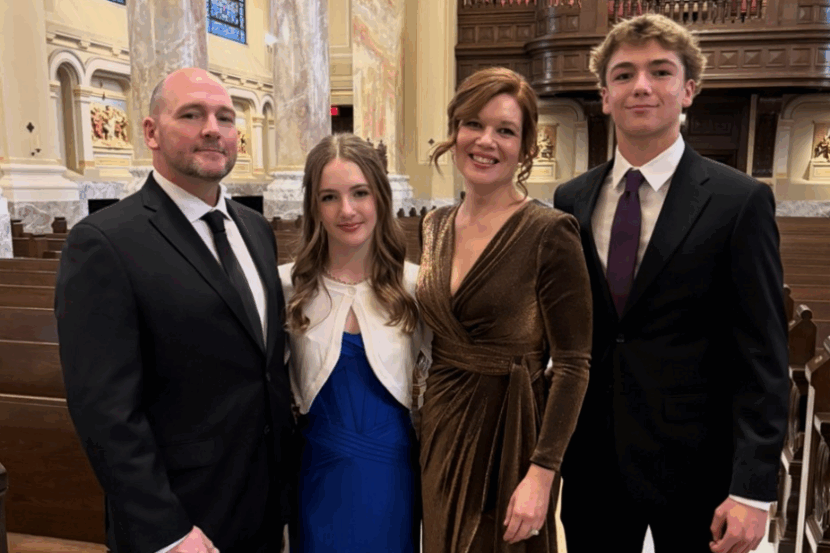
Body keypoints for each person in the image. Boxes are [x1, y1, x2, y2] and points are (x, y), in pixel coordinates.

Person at [553, 13, 789, 553]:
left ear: (688, 90)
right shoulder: (573, 199)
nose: (641, 85)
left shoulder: (738, 200)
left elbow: (764, 354)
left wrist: (753, 490)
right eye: (623, 74)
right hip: (595, 464)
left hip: (698, 469)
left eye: (660, 72)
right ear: (604, 95)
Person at [55, 67, 294, 553]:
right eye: (191, 114)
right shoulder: (104, 242)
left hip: (265, 503)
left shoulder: (254, 230)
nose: (213, 128)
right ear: (151, 133)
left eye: (225, 117)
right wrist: (165, 531)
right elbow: (105, 411)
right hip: (180, 519)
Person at [417, 66, 592, 552]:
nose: (485, 140)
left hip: (511, 436)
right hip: (441, 426)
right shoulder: (433, 226)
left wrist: (542, 474)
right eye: (473, 123)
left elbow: (574, 365)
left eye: (505, 130)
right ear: (455, 133)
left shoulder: (550, 233)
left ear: (526, 147)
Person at [279, 133, 430, 552]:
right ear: (314, 206)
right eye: (330, 197)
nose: (347, 210)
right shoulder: (288, 286)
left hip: (391, 475)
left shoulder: (415, 285)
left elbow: (450, 380)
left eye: (359, 193)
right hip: (316, 473)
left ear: (379, 196)